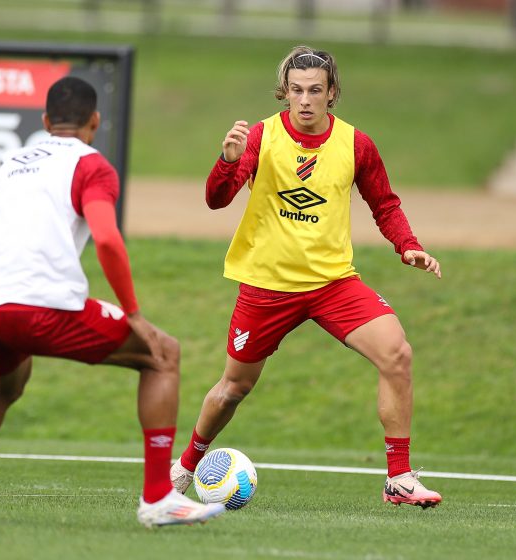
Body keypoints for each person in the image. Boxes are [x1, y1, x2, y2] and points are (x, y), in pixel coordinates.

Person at [0, 76, 224, 527]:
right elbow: (107, 240)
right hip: (39, 305)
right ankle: (159, 497)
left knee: (7, 384)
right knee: (163, 354)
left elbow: (0, 237)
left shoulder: (13, 162)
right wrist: (135, 315)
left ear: (45, 122)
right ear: (95, 121)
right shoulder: (91, 165)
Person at [170, 46, 443, 509]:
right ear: (285, 92)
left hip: (333, 283)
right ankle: (187, 466)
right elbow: (217, 199)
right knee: (234, 387)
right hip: (267, 285)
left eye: (315, 90)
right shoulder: (261, 137)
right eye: (296, 90)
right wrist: (227, 160)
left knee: (397, 353)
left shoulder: (357, 144)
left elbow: (385, 204)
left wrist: (408, 245)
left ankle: (399, 478)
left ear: (332, 92)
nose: (305, 100)